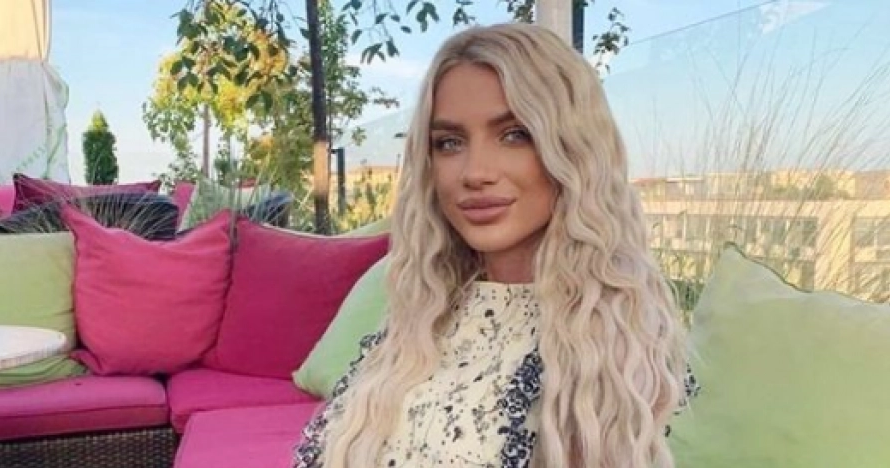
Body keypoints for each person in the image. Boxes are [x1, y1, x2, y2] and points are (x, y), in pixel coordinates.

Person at [293, 22, 698, 468]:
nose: (475, 172)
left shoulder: (612, 343)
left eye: (514, 134)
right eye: (449, 143)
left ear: (573, 149)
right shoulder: (422, 312)